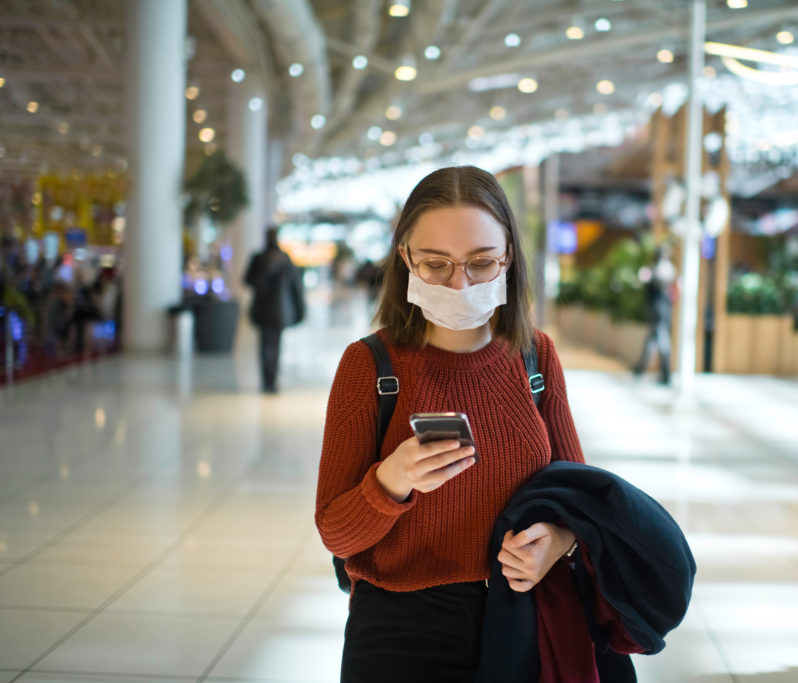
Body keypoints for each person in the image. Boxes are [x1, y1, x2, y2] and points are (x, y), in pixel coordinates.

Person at [315, 166, 585, 682]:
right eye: (436, 264)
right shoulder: (369, 367)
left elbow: (577, 493)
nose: (460, 283)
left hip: (521, 616)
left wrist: (557, 539)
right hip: (401, 628)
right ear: (405, 259)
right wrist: (391, 480)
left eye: (482, 263)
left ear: (508, 258)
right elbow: (335, 531)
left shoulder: (535, 357)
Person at [244, 226, 305, 393]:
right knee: (276, 344)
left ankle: (267, 379)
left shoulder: (258, 258)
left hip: (263, 308)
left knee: (265, 344)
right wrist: (300, 309)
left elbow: (248, 281)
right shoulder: (285, 259)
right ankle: (272, 379)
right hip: (281, 309)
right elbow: (296, 287)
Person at [633, 245, 676, 385]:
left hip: (661, 311)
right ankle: (642, 369)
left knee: (661, 341)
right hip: (658, 310)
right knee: (652, 341)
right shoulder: (656, 269)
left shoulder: (664, 269)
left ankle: (665, 375)